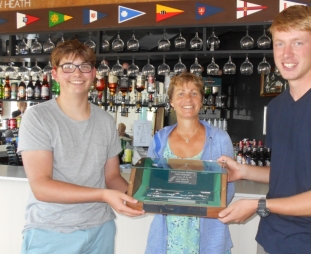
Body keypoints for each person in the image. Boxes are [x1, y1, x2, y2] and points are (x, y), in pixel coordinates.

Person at [218, 5, 311, 254]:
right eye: (279, 43)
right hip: (272, 238)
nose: (287, 54)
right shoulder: (277, 107)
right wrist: (243, 171)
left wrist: (260, 204)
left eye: (298, 43)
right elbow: (291, 171)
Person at [17, 40, 144, 254]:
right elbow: (41, 187)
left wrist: (139, 198)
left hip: (100, 229)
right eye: (68, 66)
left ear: (93, 73)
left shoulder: (105, 120)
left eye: (84, 67)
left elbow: (111, 177)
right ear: (55, 74)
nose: (77, 74)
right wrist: (103, 195)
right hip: (53, 232)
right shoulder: (38, 117)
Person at [145, 72, 235, 254]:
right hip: (168, 235)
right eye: (181, 93)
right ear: (171, 101)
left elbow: (229, 186)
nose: (188, 98)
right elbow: (149, 183)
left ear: (201, 100)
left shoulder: (220, 138)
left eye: (194, 93)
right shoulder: (160, 139)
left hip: (209, 233)